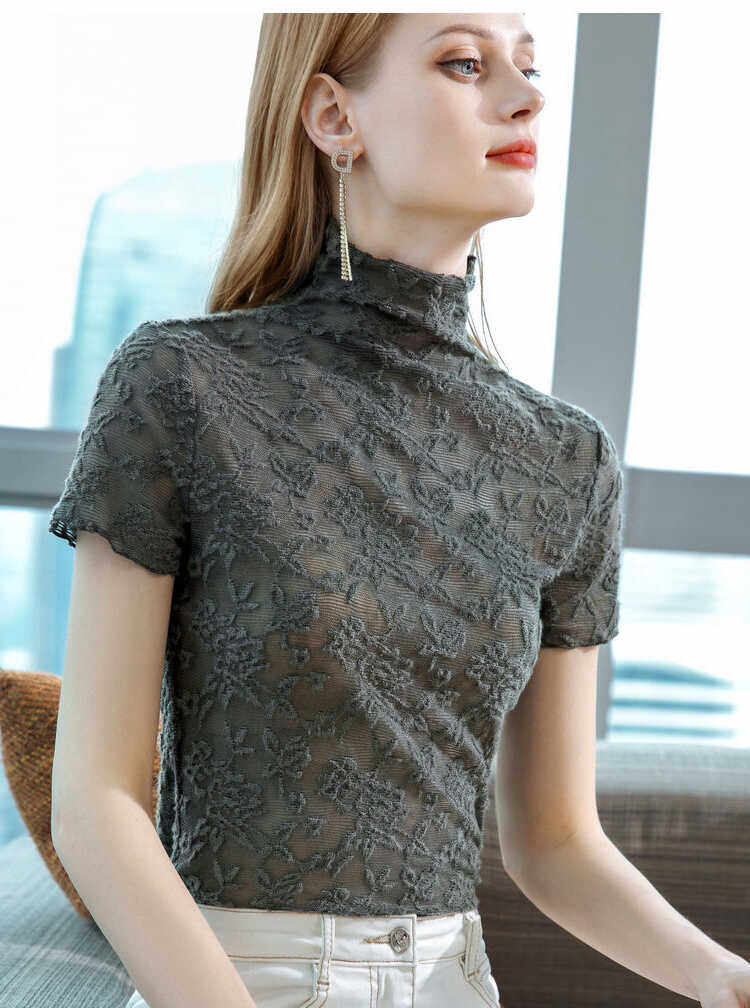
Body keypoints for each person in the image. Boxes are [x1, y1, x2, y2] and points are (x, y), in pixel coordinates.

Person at [48, 13, 750, 1008]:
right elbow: (94, 804)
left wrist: (722, 976)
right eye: (465, 63)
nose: (526, 97)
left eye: (529, 66)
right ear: (335, 117)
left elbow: (555, 841)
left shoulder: (569, 460)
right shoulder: (178, 383)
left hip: (453, 983)